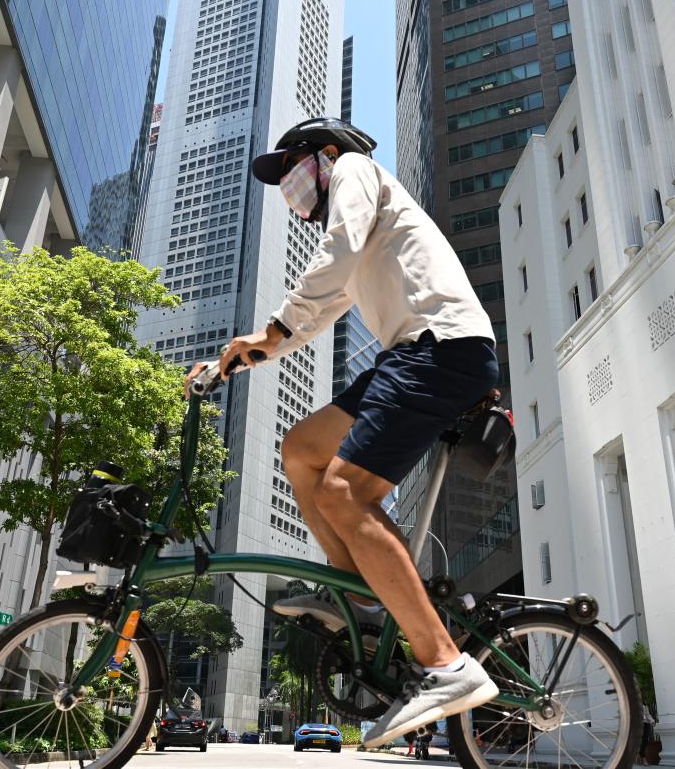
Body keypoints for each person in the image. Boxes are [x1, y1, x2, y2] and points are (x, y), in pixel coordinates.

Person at [192, 117, 499, 748]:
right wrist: (253, 352)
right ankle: (362, 598)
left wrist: (271, 332)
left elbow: (336, 256)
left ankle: (446, 664)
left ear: (325, 154)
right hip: (411, 354)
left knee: (343, 491)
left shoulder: (356, 171)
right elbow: (327, 303)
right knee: (302, 449)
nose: (287, 186)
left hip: (441, 349)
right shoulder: (357, 228)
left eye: (292, 168)